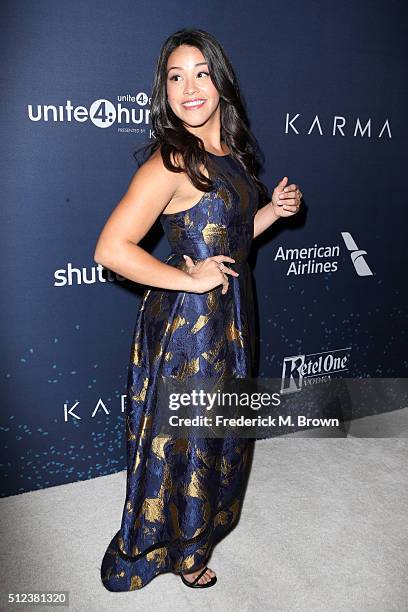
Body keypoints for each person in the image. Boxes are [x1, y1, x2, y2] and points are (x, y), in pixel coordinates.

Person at [95, 28, 302, 591]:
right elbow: (111, 250)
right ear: (164, 91)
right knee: (189, 442)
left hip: (232, 315)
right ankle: (181, 554)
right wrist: (185, 282)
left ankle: (197, 537)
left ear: (220, 82)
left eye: (201, 74)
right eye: (175, 77)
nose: (189, 88)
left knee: (219, 437)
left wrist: (271, 215)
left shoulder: (227, 154)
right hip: (190, 330)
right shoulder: (171, 161)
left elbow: (228, 241)